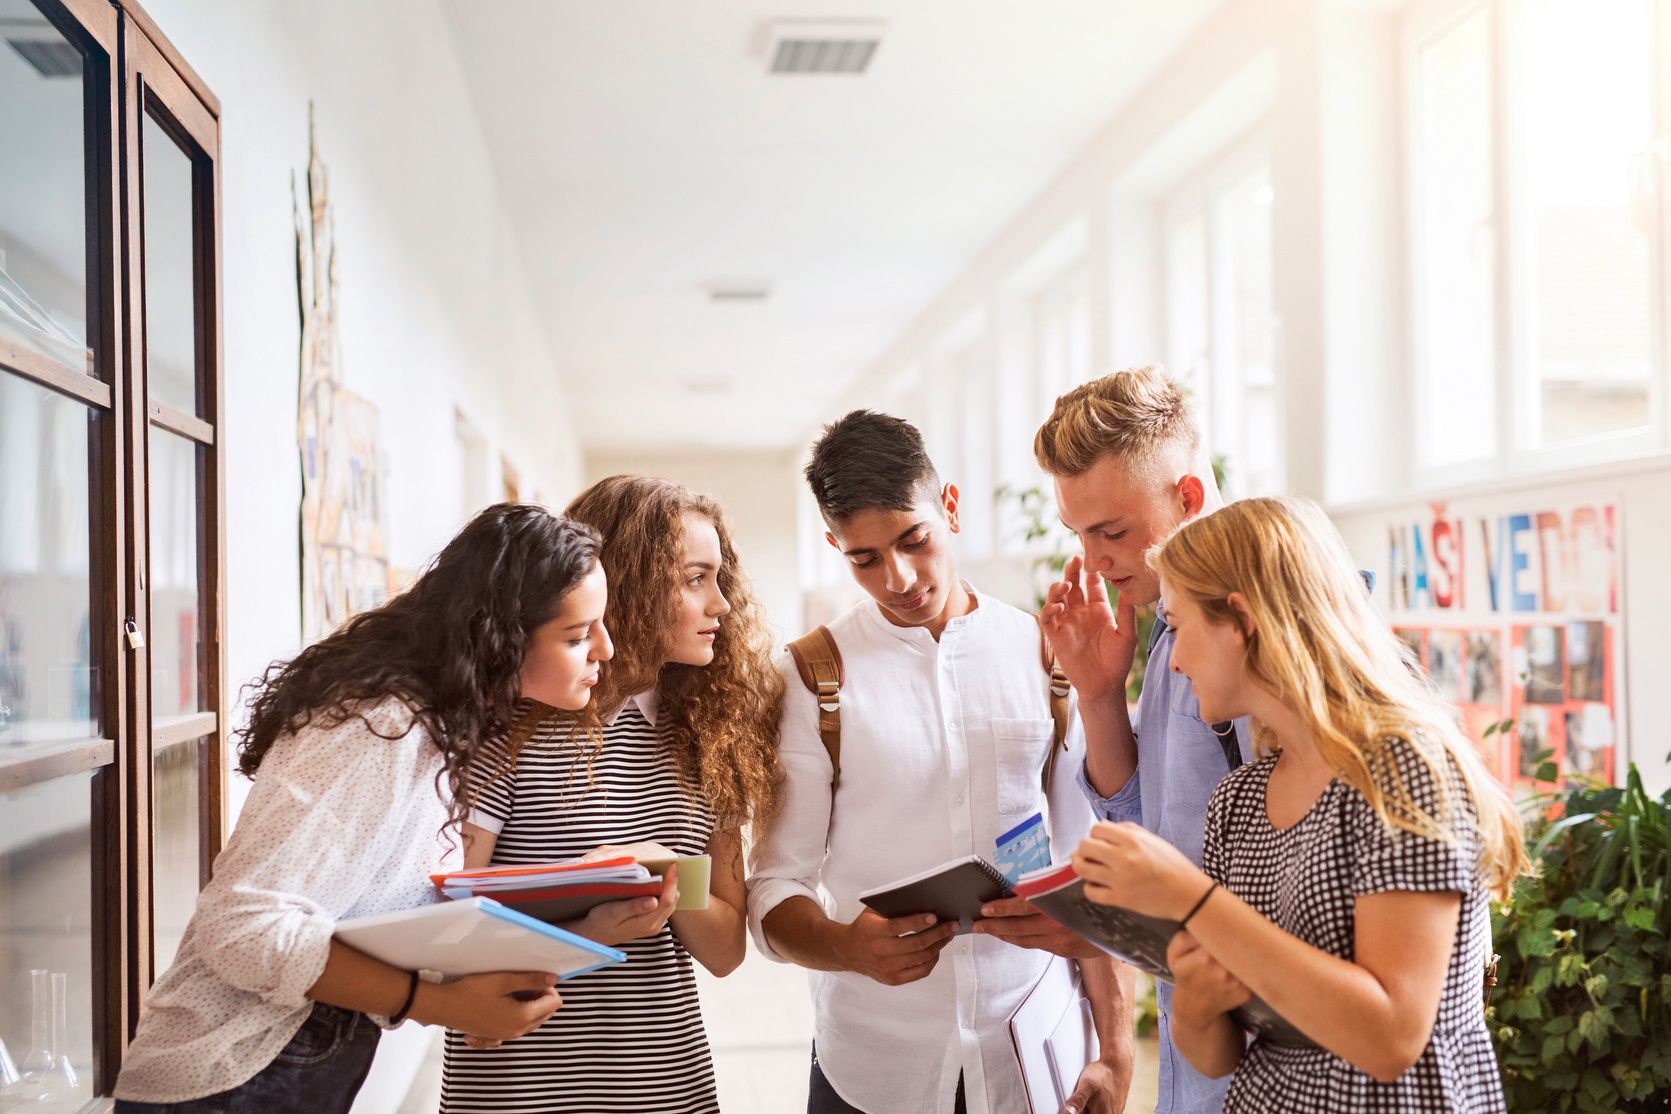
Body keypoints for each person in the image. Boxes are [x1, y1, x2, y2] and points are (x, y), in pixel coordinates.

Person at [114, 505, 608, 1113]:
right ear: (500, 637)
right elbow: (241, 928)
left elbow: (377, 909)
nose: (603, 650)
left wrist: (579, 904)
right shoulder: (382, 724)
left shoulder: (439, 727)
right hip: (226, 1077)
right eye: (578, 634)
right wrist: (441, 1004)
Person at [1071, 496, 1526, 1112]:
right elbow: (1220, 1053)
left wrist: (1191, 901)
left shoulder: (1401, 770)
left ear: (1241, 621)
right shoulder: (1239, 800)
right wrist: (1200, 1006)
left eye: (1177, 627)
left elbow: (1392, 1036)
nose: (1172, 659)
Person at [747, 410, 1135, 1114]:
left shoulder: (1043, 651)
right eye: (863, 558)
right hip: (872, 1065)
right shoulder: (813, 676)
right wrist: (845, 947)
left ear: (947, 508)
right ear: (837, 547)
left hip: (1029, 1052)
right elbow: (775, 887)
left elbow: (1088, 859)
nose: (897, 577)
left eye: (912, 540)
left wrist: (1114, 1047)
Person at [441, 475, 783, 1114]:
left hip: (665, 1084)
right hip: (518, 1086)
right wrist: (586, 925)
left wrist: (661, 870)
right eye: (693, 579)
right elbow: (446, 926)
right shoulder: (508, 727)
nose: (721, 606)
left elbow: (725, 950)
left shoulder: (710, 734)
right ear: (625, 583)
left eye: (719, 578)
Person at [1032, 366, 1245, 1114]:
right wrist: (1097, 695)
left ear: (1187, 496)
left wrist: (1106, 929)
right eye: (1079, 535)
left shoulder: (1261, 631)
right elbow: (1149, 823)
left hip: (1265, 1048)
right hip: (1197, 1038)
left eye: (1111, 531)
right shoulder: (1166, 622)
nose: (1094, 559)